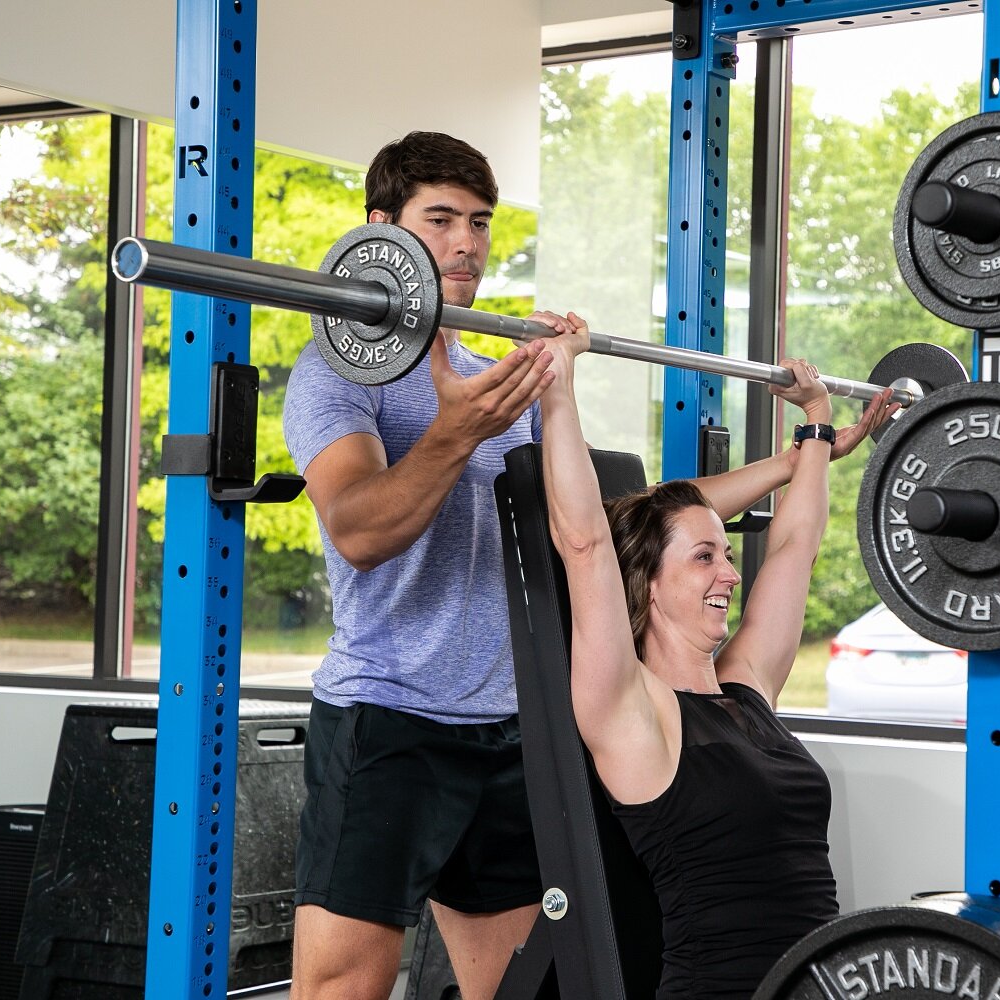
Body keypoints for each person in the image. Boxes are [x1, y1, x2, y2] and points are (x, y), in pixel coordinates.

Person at [282, 130, 887, 1000]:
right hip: (391, 717)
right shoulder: (339, 378)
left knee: (526, 987)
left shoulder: (500, 377)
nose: (465, 243)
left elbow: (613, 522)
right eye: (441, 219)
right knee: (344, 988)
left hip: (511, 730)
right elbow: (357, 528)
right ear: (381, 228)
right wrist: (458, 432)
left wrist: (807, 455)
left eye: (480, 223)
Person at [535, 323, 899, 1000]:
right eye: (705, 557)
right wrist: (558, 384)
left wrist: (817, 425)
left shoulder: (747, 686)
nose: (729, 574)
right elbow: (584, 542)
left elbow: (795, 546)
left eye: (727, 554)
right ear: (644, 581)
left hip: (817, 986)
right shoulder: (633, 712)